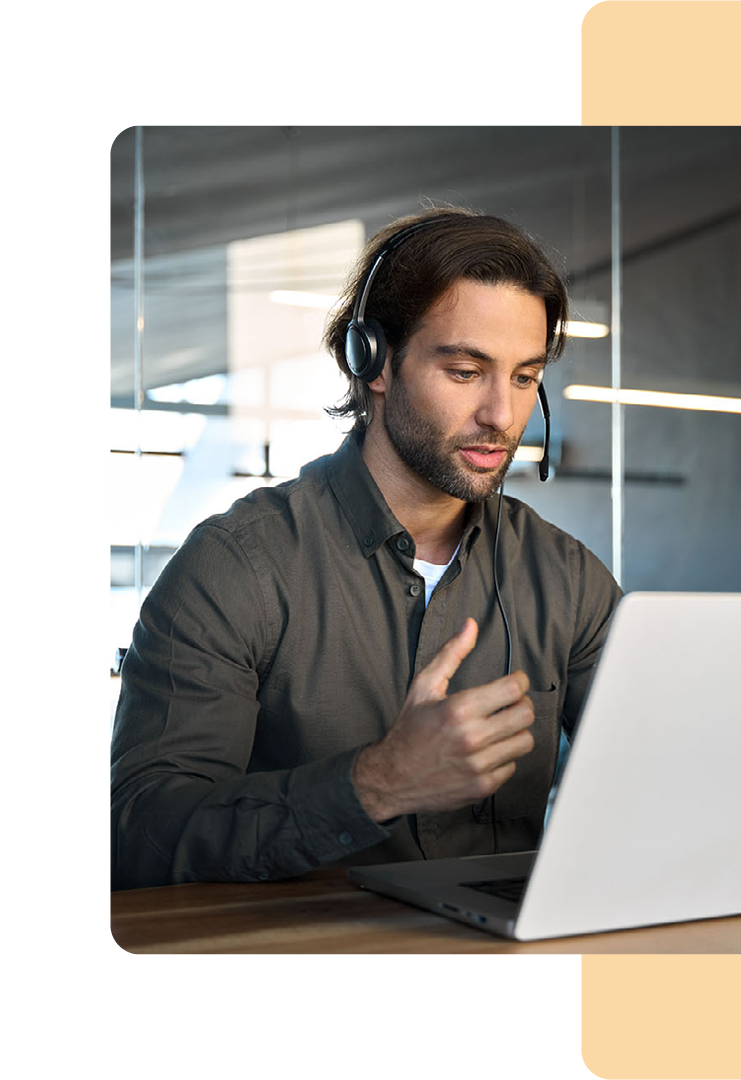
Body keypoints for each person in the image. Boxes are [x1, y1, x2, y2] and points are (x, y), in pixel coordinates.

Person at [110, 207, 623, 890]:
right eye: (467, 371)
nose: (502, 415)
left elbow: (660, 785)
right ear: (374, 362)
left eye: (525, 377)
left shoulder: (569, 581)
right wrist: (377, 783)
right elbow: (137, 834)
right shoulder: (238, 567)